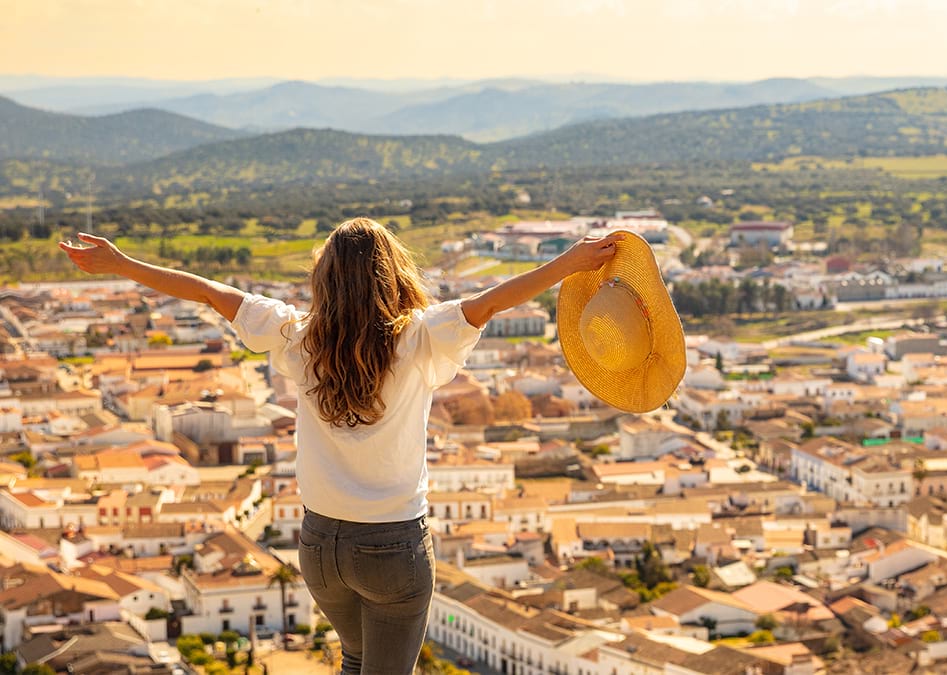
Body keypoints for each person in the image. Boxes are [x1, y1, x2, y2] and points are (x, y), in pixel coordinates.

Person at [60, 218, 622, 674]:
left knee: (355, 660)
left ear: (324, 278)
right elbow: (490, 303)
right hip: (393, 545)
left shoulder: (295, 336)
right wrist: (568, 263)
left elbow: (210, 293)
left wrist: (122, 264)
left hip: (320, 545)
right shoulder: (420, 338)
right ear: (394, 273)